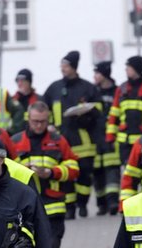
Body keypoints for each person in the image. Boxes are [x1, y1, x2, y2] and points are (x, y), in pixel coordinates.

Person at [11, 101, 79, 248]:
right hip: (24, 211)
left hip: (52, 209)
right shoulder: (16, 141)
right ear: (28, 118)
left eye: (42, 121)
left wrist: (51, 172)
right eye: (35, 121)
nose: (39, 125)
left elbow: (73, 167)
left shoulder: (58, 140)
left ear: (48, 119)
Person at [43, 51, 100, 219]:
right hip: (61, 139)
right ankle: (70, 207)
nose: (63, 69)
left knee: (84, 174)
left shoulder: (88, 88)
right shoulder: (54, 88)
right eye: (61, 66)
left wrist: (85, 116)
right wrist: (50, 126)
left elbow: (98, 113)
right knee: (65, 175)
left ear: (74, 67)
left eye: (66, 66)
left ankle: (82, 203)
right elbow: (43, 110)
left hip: (83, 140)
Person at [109, 56, 142, 164]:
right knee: (128, 173)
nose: (126, 69)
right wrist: (110, 136)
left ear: (136, 69)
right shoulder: (122, 88)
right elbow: (114, 114)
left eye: (128, 67)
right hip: (125, 142)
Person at [91, 60, 120, 215]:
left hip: (111, 137)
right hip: (96, 137)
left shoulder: (117, 91)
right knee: (98, 172)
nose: (94, 76)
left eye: (97, 73)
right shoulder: (92, 92)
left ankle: (112, 202)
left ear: (104, 74)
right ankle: (101, 204)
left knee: (112, 170)